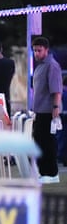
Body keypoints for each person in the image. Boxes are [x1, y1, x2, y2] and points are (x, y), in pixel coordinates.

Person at [32, 37, 63, 184]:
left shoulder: (52, 65)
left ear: (46, 50)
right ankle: (44, 171)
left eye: (39, 50)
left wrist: (56, 108)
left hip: (48, 111)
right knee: (39, 141)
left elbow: (57, 90)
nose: (36, 53)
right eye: (35, 50)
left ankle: (51, 173)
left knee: (48, 143)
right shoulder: (40, 66)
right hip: (40, 111)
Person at [57, 76, 67, 166]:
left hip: (60, 115)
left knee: (60, 136)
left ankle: (60, 156)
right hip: (64, 116)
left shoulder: (60, 93)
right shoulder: (64, 93)